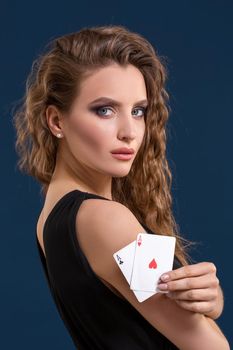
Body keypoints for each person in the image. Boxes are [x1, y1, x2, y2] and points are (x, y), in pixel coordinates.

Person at [13, 25, 230, 349]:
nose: (129, 131)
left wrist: (211, 303)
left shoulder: (52, 216)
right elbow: (213, 347)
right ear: (57, 121)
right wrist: (211, 316)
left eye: (138, 110)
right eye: (105, 110)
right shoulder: (105, 219)